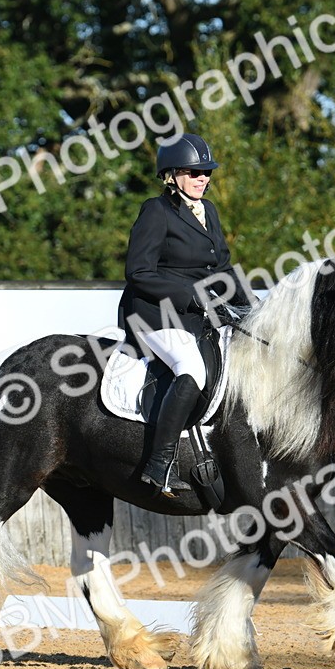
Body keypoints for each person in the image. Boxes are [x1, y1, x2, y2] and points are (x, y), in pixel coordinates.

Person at [118, 134, 251, 496]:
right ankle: (159, 464)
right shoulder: (155, 211)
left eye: (207, 172)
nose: (203, 178)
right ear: (172, 175)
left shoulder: (208, 211)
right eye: (194, 172)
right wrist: (192, 295)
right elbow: (139, 272)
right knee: (190, 368)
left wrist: (250, 308)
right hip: (151, 312)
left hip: (195, 314)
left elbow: (221, 266)